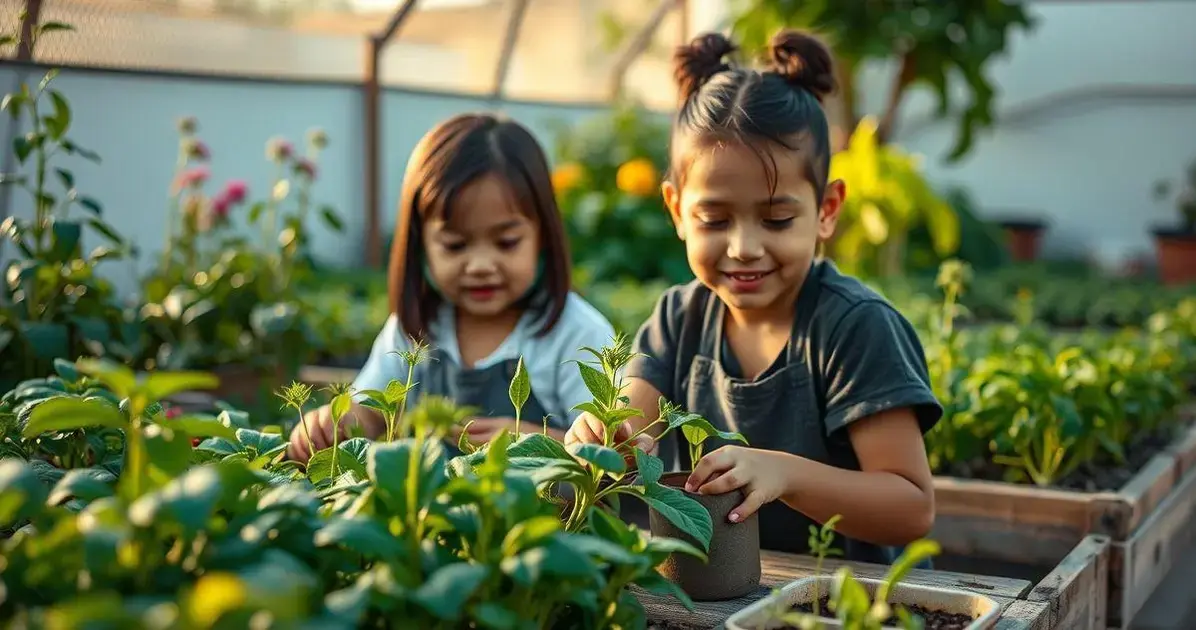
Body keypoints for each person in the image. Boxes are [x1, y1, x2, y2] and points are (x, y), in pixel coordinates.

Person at [563, 30, 943, 564]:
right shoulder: (678, 317)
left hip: (853, 602)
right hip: (720, 592)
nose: (743, 248)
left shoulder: (854, 327)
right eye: (715, 219)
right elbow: (631, 428)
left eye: (777, 219)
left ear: (827, 209)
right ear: (676, 210)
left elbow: (911, 507)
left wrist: (784, 473)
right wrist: (609, 438)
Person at [287, 113, 616, 463]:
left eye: (506, 242)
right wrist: (329, 425)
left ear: (543, 237)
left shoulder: (575, 333)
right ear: (420, 245)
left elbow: (610, 449)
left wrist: (536, 441)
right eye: (455, 245)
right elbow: (368, 412)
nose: (480, 266)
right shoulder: (415, 328)